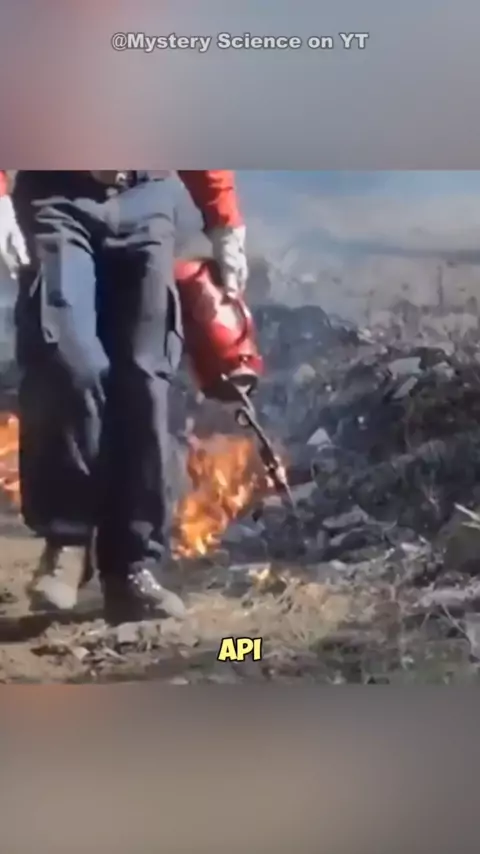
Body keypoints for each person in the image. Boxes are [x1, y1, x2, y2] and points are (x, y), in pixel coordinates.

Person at [0, 170, 248, 623]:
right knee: (69, 361)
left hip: (146, 199)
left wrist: (224, 220)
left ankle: (133, 566)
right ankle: (67, 541)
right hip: (56, 196)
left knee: (145, 379)